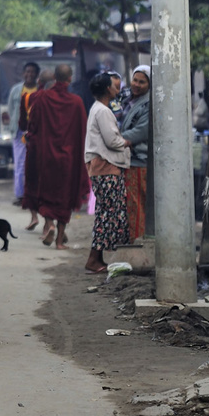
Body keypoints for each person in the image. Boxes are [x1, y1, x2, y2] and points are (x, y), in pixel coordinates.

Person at [22, 65, 90, 250]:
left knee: (47, 193)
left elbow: (32, 125)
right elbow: (82, 132)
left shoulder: (42, 98)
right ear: (69, 79)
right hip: (68, 159)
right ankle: (59, 242)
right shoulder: (76, 102)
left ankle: (49, 224)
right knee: (64, 198)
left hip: (47, 156)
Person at [84, 72, 132, 274]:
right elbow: (113, 141)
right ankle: (94, 258)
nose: (117, 89)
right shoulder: (103, 111)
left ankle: (98, 257)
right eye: (113, 86)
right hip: (106, 166)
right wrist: (127, 142)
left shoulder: (98, 109)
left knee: (106, 211)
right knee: (107, 212)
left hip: (102, 165)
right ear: (107, 89)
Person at [119, 65, 150, 243]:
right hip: (126, 160)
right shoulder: (126, 98)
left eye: (142, 82)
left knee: (136, 205)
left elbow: (141, 131)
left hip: (139, 161)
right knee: (129, 205)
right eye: (135, 80)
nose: (137, 85)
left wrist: (115, 140)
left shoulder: (148, 103)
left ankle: (137, 244)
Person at [7, 62, 40, 219]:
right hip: (20, 131)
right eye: (27, 71)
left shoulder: (40, 90)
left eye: (33, 72)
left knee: (36, 164)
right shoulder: (16, 91)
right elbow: (11, 110)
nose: (30, 74)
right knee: (20, 163)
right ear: (23, 73)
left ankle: (36, 195)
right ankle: (20, 196)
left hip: (37, 132)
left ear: (36, 74)